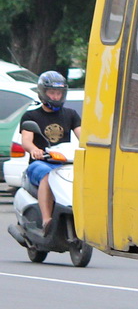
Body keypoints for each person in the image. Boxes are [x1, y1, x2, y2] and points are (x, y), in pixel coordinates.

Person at [20, 71, 82, 235]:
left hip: (64, 163)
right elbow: (26, 140)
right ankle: (47, 219)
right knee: (49, 176)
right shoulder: (31, 115)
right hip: (40, 164)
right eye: (52, 93)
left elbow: (82, 136)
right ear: (42, 92)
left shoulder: (71, 114)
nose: (55, 96)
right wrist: (34, 150)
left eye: (59, 93)